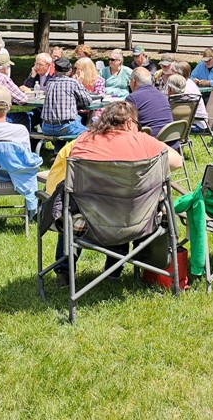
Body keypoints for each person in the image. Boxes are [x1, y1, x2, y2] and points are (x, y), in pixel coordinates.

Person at [47, 101, 183, 286]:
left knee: (73, 207)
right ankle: (114, 270)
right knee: (124, 202)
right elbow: (177, 162)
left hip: (89, 223)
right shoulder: (143, 141)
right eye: (137, 124)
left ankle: (64, 271)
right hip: (138, 221)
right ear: (128, 123)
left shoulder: (84, 140)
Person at [40, 57, 93, 138]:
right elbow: (88, 101)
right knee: (91, 134)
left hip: (46, 127)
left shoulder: (49, 82)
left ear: (55, 71)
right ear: (70, 71)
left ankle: (58, 150)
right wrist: (80, 83)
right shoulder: (73, 82)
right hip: (65, 127)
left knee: (77, 118)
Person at [125, 67, 174, 139]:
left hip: (151, 143)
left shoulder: (132, 98)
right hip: (171, 138)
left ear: (133, 81)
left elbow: (127, 124)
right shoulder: (162, 95)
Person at [169, 61, 208, 129]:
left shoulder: (184, 89)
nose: (170, 73)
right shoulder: (188, 82)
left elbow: (175, 110)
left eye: (173, 71)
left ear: (179, 74)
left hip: (195, 124)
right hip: (193, 121)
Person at [74, 57, 106, 122]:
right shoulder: (75, 79)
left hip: (94, 111)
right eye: (76, 68)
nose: (76, 71)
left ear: (86, 70)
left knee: (95, 120)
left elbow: (99, 98)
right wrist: (78, 83)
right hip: (78, 110)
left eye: (79, 69)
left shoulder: (99, 80)